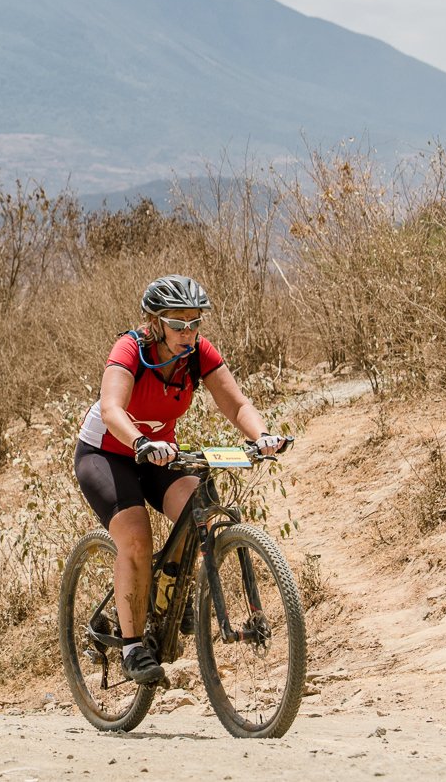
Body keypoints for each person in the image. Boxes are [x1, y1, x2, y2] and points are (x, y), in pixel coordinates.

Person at [73, 275, 290, 684]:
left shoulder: (196, 353)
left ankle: (173, 594)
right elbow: (112, 408)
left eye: (194, 322)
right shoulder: (130, 349)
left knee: (200, 512)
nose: (188, 332)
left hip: (160, 456)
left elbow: (236, 403)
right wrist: (139, 441)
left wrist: (261, 437)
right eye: (178, 323)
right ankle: (134, 646)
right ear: (154, 322)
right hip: (107, 453)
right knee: (136, 539)